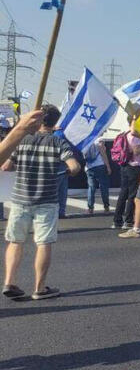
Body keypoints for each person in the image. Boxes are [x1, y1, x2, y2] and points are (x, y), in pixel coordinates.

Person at [1, 106, 80, 301]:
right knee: (43, 242)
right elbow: (74, 166)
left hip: (20, 198)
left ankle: (9, 282)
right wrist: (69, 171)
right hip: (47, 199)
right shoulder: (58, 142)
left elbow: (7, 166)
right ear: (55, 122)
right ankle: (39, 287)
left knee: (15, 241)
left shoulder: (22, 140)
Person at [112, 117, 140, 230]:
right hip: (134, 166)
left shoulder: (124, 134)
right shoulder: (135, 137)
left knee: (123, 193)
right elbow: (136, 151)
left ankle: (117, 220)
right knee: (132, 195)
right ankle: (129, 220)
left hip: (124, 165)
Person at [83, 137, 112, 214]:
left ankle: (90, 208)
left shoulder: (86, 139)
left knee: (91, 187)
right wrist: (108, 166)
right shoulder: (100, 139)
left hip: (89, 167)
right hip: (100, 165)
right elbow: (103, 154)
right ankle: (106, 206)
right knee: (103, 187)